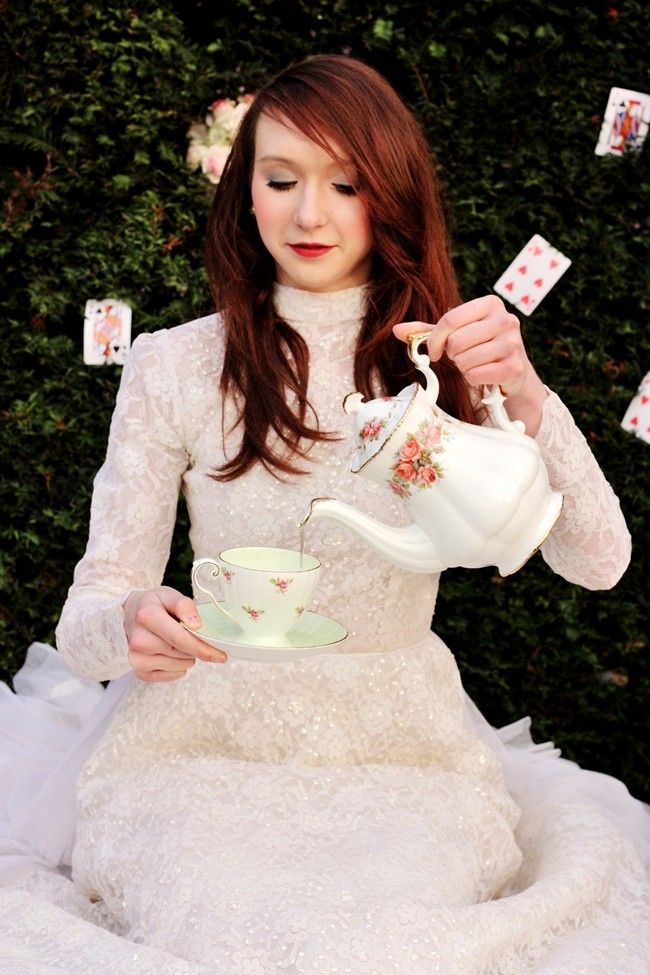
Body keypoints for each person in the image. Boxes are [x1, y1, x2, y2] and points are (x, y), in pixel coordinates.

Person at [0, 53, 648, 974]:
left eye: (346, 184)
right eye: (281, 180)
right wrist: (131, 624)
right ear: (245, 194)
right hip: (193, 748)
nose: (310, 215)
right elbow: (94, 610)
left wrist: (527, 389)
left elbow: (602, 560)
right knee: (220, 928)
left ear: (390, 195)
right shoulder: (174, 364)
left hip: (408, 756)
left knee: (391, 941)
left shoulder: (440, 360)